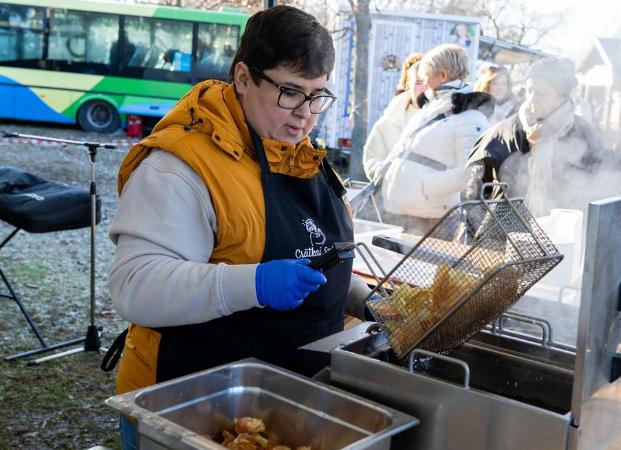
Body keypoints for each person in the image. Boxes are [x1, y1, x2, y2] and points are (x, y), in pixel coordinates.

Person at [106, 7, 373, 449]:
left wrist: (367, 300)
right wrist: (256, 282)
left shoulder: (305, 158)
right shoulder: (180, 166)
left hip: (281, 405)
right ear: (244, 77)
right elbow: (135, 287)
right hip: (186, 408)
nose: (305, 115)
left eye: (317, 95)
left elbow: (320, 261)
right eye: (289, 92)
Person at [464, 57, 611, 216]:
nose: (532, 98)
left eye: (540, 93)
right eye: (529, 90)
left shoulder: (585, 135)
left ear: (561, 96)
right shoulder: (503, 133)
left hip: (560, 235)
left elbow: (601, 187)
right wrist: (479, 229)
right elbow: (471, 187)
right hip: (502, 235)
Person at [378, 44, 492, 234]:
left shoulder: (470, 117)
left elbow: (470, 171)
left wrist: (425, 186)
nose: (424, 83)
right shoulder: (432, 107)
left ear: (442, 75)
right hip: (406, 209)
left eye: (427, 75)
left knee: (428, 264)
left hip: (431, 217)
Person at [363, 52, 424, 182]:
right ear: (408, 84)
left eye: (427, 82)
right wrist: (391, 176)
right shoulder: (390, 119)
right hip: (394, 197)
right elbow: (371, 160)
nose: (424, 88)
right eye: (419, 82)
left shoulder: (445, 117)